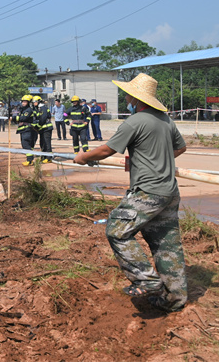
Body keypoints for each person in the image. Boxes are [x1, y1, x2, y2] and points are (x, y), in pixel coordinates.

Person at [74, 73, 188, 314]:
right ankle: (174, 299)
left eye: (127, 94)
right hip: (169, 191)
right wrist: (152, 159)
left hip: (148, 192)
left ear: (136, 98)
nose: (126, 98)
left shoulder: (134, 121)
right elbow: (180, 147)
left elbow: (106, 150)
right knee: (166, 245)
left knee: (116, 230)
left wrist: (83, 157)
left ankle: (145, 279)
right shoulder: (166, 121)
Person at [13, 94, 36, 166]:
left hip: (27, 130)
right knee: (25, 145)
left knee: (26, 145)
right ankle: (30, 159)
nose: (23, 103)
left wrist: (14, 118)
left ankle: (29, 160)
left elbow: (24, 118)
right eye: (22, 102)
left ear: (28, 103)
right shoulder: (23, 110)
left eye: (25, 102)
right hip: (23, 130)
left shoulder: (28, 110)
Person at [33, 95, 53, 163]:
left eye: (34, 102)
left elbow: (43, 119)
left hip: (46, 128)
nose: (34, 103)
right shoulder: (39, 108)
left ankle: (49, 158)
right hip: (43, 129)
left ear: (38, 102)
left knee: (47, 143)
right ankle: (44, 156)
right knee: (42, 143)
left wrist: (38, 126)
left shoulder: (43, 108)